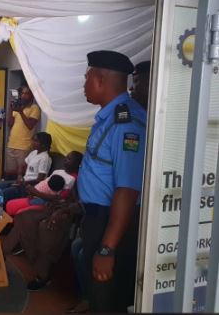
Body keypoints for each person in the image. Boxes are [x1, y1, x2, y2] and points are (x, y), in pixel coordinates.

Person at [78, 50, 146, 313]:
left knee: (108, 299)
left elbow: (128, 188)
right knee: (99, 295)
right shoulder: (110, 117)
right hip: (98, 219)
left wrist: (107, 249)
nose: (83, 84)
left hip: (111, 223)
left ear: (100, 79)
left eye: (86, 78)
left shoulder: (125, 123)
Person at [1, 186, 83, 291]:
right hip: (54, 208)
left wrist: (63, 210)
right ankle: (2, 253)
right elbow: (61, 198)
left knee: (45, 229)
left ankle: (43, 275)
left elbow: (82, 205)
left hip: (68, 215)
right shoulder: (76, 181)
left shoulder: (91, 182)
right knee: (23, 217)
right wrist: (38, 194)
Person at [5, 151, 82, 216]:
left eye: (69, 159)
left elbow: (58, 199)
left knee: (13, 208)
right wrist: (32, 191)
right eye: (66, 157)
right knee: (10, 204)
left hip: (43, 201)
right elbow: (44, 184)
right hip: (34, 194)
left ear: (77, 164)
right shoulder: (59, 171)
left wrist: (36, 192)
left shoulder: (72, 179)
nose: (65, 160)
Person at [0, 132, 52, 205]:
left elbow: (40, 179)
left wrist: (23, 182)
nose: (33, 142)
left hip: (30, 186)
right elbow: (21, 165)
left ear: (43, 144)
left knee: (1, 194)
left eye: (36, 141)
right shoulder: (34, 152)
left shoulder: (45, 158)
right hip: (22, 181)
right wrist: (19, 176)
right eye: (33, 140)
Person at [5, 83, 41, 178]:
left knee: (21, 175)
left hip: (24, 147)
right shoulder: (18, 107)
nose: (24, 95)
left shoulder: (34, 108)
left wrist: (21, 112)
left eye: (27, 93)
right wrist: (11, 109)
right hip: (11, 145)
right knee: (10, 174)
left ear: (31, 95)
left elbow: (30, 126)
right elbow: (10, 124)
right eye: (22, 93)